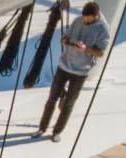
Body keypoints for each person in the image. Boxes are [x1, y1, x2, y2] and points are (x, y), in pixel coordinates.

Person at [39, 1, 111, 139]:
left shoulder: (103, 29)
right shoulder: (78, 20)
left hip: (80, 71)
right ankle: (42, 127)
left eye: (87, 19)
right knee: (52, 98)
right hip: (64, 65)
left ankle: (57, 132)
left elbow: (101, 53)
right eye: (83, 18)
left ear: (95, 16)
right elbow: (65, 36)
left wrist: (86, 49)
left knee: (69, 103)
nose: (84, 21)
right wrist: (65, 40)